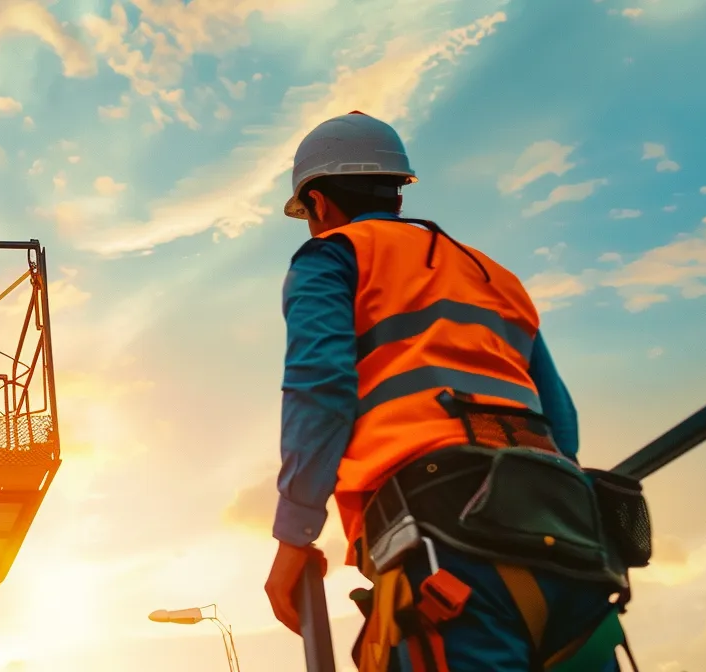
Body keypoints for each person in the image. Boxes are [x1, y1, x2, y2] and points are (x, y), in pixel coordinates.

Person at [262, 112, 630, 671]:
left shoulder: (332, 256)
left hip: (441, 540)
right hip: (565, 535)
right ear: (398, 195)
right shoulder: (492, 273)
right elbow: (562, 423)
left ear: (317, 203)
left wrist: (295, 535)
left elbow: (322, 388)